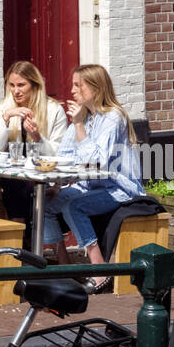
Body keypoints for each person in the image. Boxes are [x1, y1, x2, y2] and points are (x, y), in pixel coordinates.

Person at [42, 64, 145, 293]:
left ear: (96, 88)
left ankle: (99, 270)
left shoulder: (113, 118)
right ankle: (65, 267)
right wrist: (60, 184)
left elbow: (96, 161)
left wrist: (78, 124)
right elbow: (64, 156)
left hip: (119, 187)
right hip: (89, 184)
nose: (72, 90)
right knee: (46, 204)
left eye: (78, 85)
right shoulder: (85, 117)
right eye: (73, 84)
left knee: (74, 207)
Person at [0, 61, 69, 220]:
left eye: (21, 85)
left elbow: (59, 154)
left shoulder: (53, 110)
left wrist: (38, 137)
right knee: (16, 184)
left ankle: (25, 237)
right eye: (12, 85)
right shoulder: (4, 108)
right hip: (10, 180)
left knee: (24, 188)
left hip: (44, 178)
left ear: (34, 85)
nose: (16, 91)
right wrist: (6, 118)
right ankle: (21, 234)